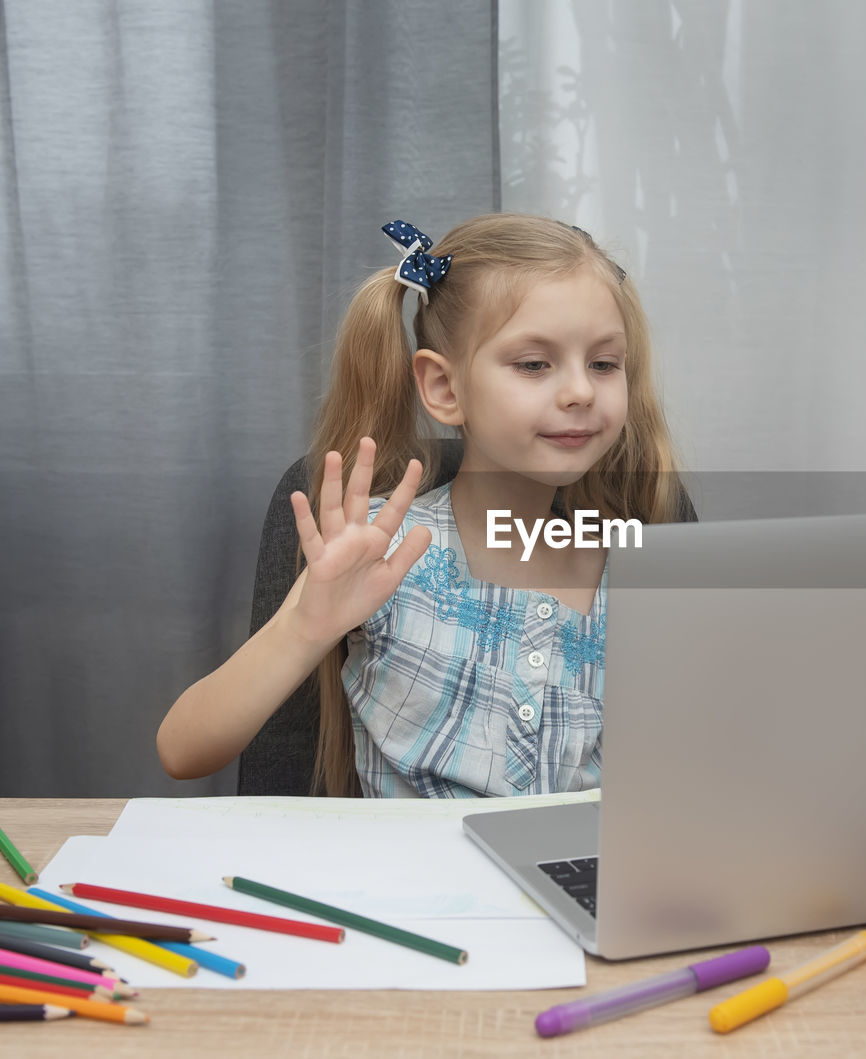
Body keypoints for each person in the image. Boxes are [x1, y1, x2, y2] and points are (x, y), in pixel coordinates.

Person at [157, 214, 687, 797]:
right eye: (534, 364)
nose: (582, 391)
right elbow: (183, 750)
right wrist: (308, 624)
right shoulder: (377, 552)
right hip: (403, 885)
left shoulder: (637, 571)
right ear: (444, 388)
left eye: (604, 364)